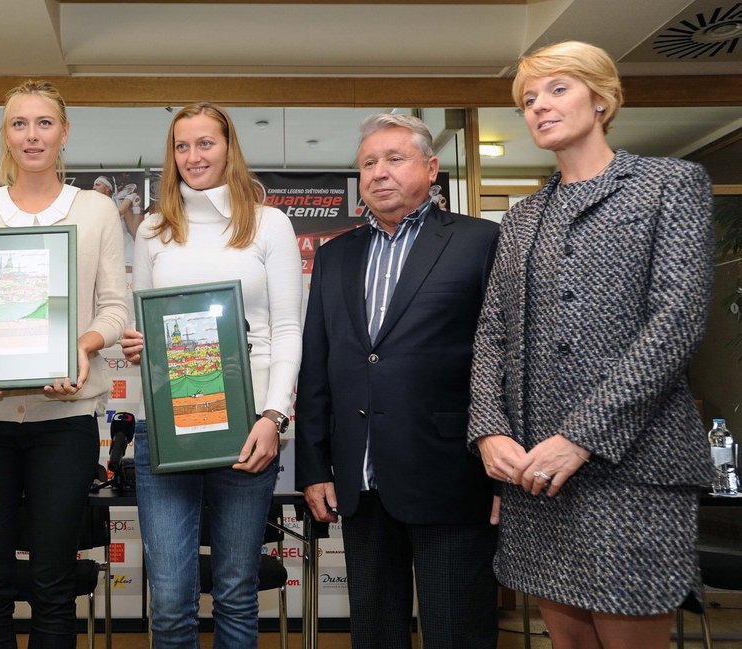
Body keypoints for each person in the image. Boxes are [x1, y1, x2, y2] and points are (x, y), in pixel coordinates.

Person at [468, 40, 715, 649]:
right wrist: (489, 428)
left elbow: (676, 322)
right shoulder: (523, 217)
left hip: (635, 468)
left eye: (558, 90)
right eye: (528, 99)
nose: (539, 108)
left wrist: (581, 438)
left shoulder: (670, 185)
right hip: (536, 475)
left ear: (601, 98)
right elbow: (493, 330)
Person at [0, 80, 127, 649]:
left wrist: (82, 348)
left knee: (53, 585)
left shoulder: (95, 211)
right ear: (6, 135)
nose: (32, 134)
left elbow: (114, 307)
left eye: (45, 123)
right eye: (20, 123)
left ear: (64, 133)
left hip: (63, 421)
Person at [295, 113, 500, 649]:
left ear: (432, 169)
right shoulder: (336, 255)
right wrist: (316, 466)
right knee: (375, 631)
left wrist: (505, 474)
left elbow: (505, 359)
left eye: (394, 159)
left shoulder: (482, 242)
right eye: (368, 163)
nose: (379, 172)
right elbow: (318, 365)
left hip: (453, 474)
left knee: (458, 630)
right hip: (361, 481)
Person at [120, 102, 302, 648]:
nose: (193, 156)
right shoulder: (153, 229)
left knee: (235, 591)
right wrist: (138, 342)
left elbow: (289, 329)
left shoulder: (269, 223)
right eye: (182, 146)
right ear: (170, 156)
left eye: (206, 143)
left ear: (229, 148)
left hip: (250, 428)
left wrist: (275, 414)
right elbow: (143, 327)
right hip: (168, 431)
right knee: (172, 598)